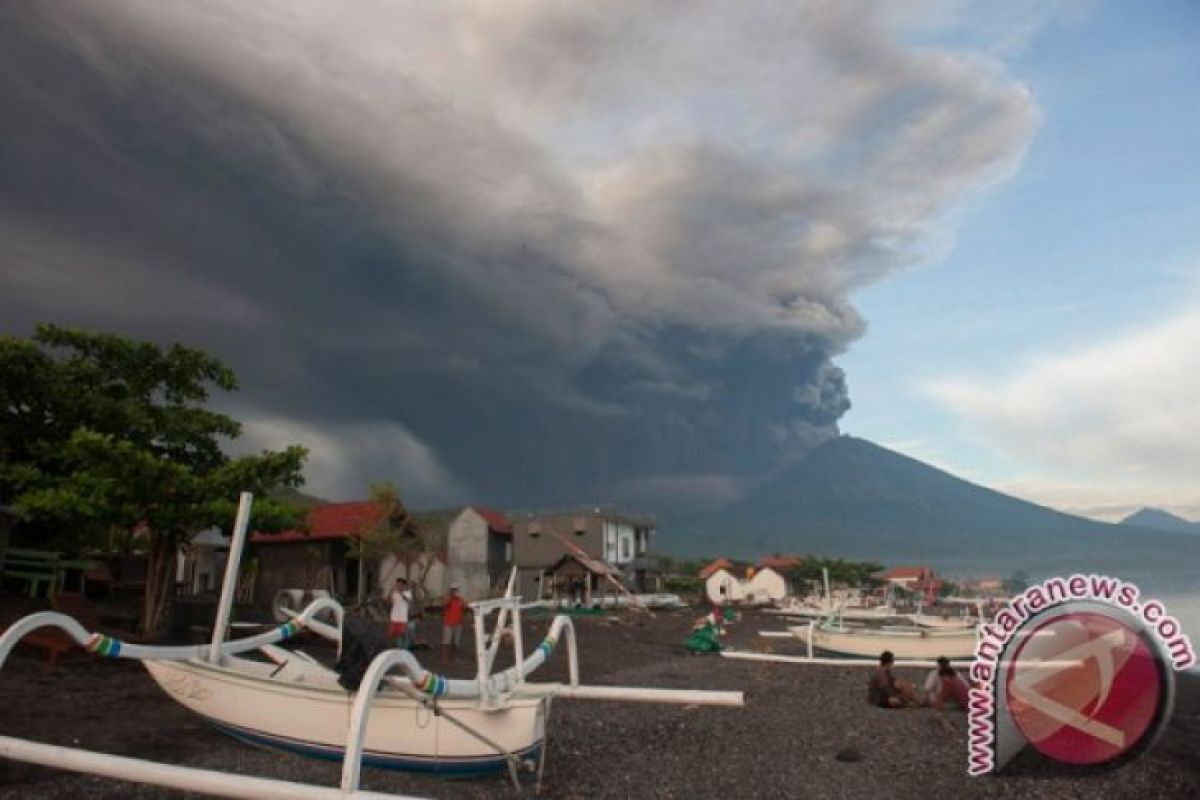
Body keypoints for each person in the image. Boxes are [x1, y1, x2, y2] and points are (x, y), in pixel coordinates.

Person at [442, 584, 467, 659]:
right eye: (453, 589)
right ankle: (445, 657)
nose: (454, 591)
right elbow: (444, 604)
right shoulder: (447, 598)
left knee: (456, 642)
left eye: (455, 589)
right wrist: (451, 596)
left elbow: (464, 609)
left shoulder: (460, 599)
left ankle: (454, 657)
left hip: (458, 623)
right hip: (448, 623)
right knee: (447, 642)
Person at [389, 578, 413, 649]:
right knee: (391, 634)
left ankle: (404, 648)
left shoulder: (408, 593)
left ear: (403, 585)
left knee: (402, 634)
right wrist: (391, 591)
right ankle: (392, 648)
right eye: (397, 584)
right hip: (394, 617)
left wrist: (401, 592)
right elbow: (389, 602)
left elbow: (408, 600)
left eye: (400, 584)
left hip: (402, 618)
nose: (398, 585)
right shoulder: (394, 593)